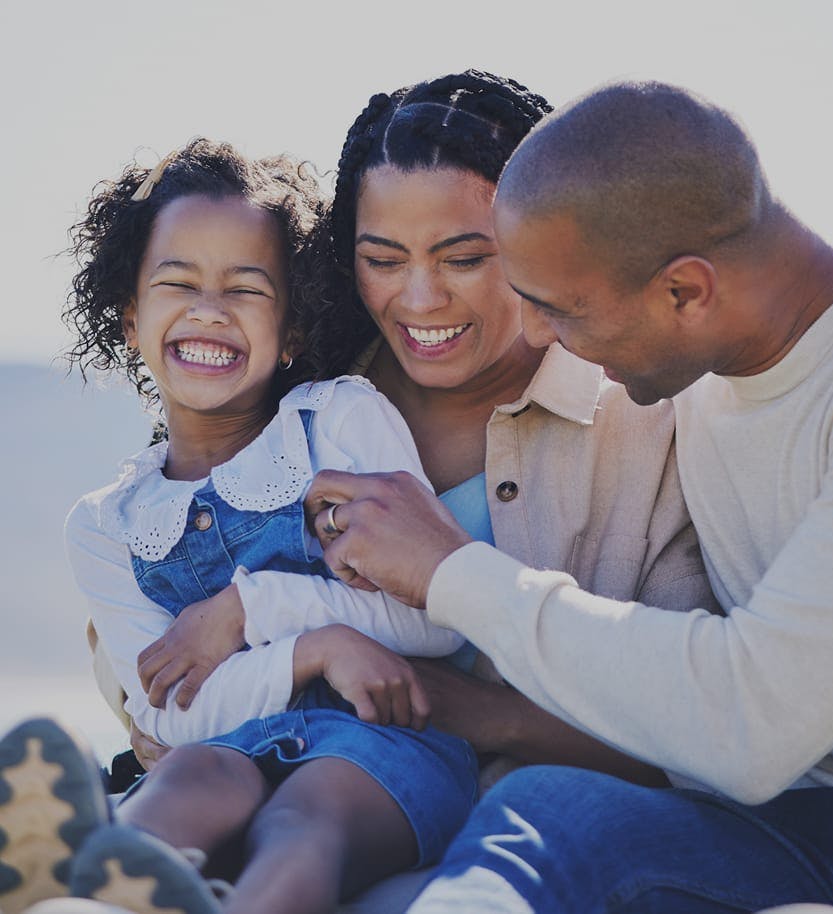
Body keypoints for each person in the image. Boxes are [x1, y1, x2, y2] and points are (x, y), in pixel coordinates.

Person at [108, 71, 717, 913]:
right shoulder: (298, 401)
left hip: (532, 850)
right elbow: (167, 649)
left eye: (466, 258)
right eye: (381, 260)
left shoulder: (648, 428)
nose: (421, 298)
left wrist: (437, 695)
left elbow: (692, 740)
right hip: (267, 786)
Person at [303, 81, 833, 914]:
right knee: (540, 814)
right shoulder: (721, 337)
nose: (537, 337)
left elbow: (748, 726)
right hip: (764, 825)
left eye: (560, 312)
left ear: (687, 292)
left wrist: (452, 572)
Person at [3, 138, 480, 914]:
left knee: (305, 816)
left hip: (384, 748)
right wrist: (316, 650)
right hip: (222, 746)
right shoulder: (106, 525)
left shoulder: (339, 421)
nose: (209, 309)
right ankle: (81, 890)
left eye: (246, 289)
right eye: (177, 282)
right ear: (129, 316)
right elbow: (166, 713)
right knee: (191, 776)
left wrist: (253, 611)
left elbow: (432, 620)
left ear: (293, 330)